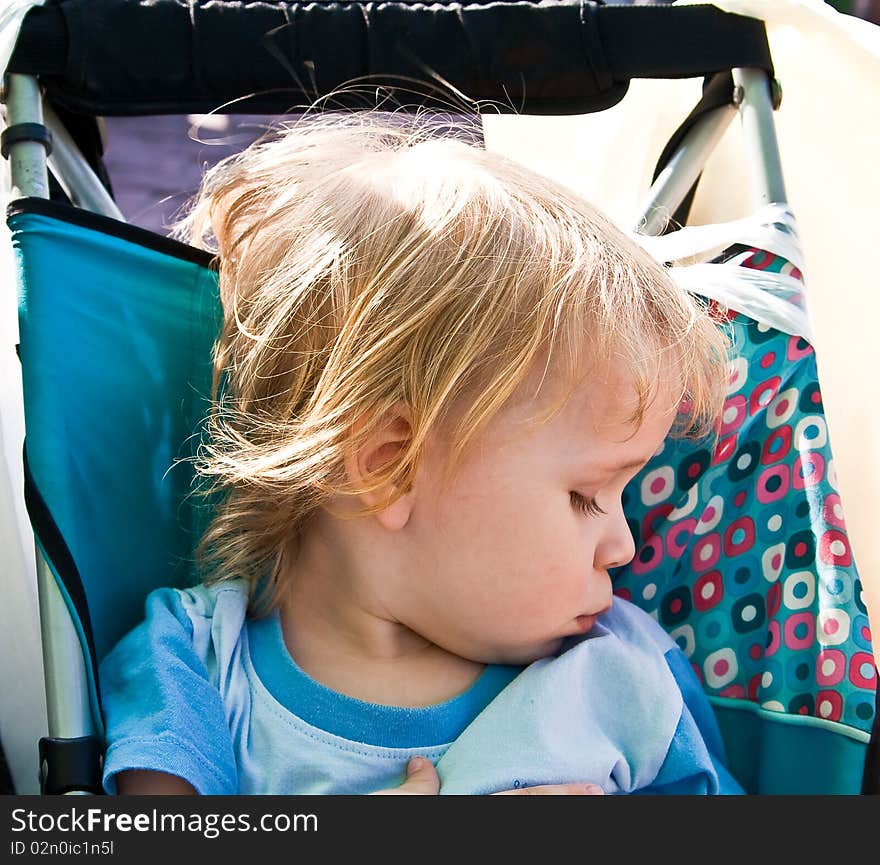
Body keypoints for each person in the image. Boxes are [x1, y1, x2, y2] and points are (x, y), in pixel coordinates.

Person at [99, 112, 743, 795]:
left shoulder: (623, 678)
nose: (624, 545)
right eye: (587, 496)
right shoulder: (194, 668)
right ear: (390, 466)